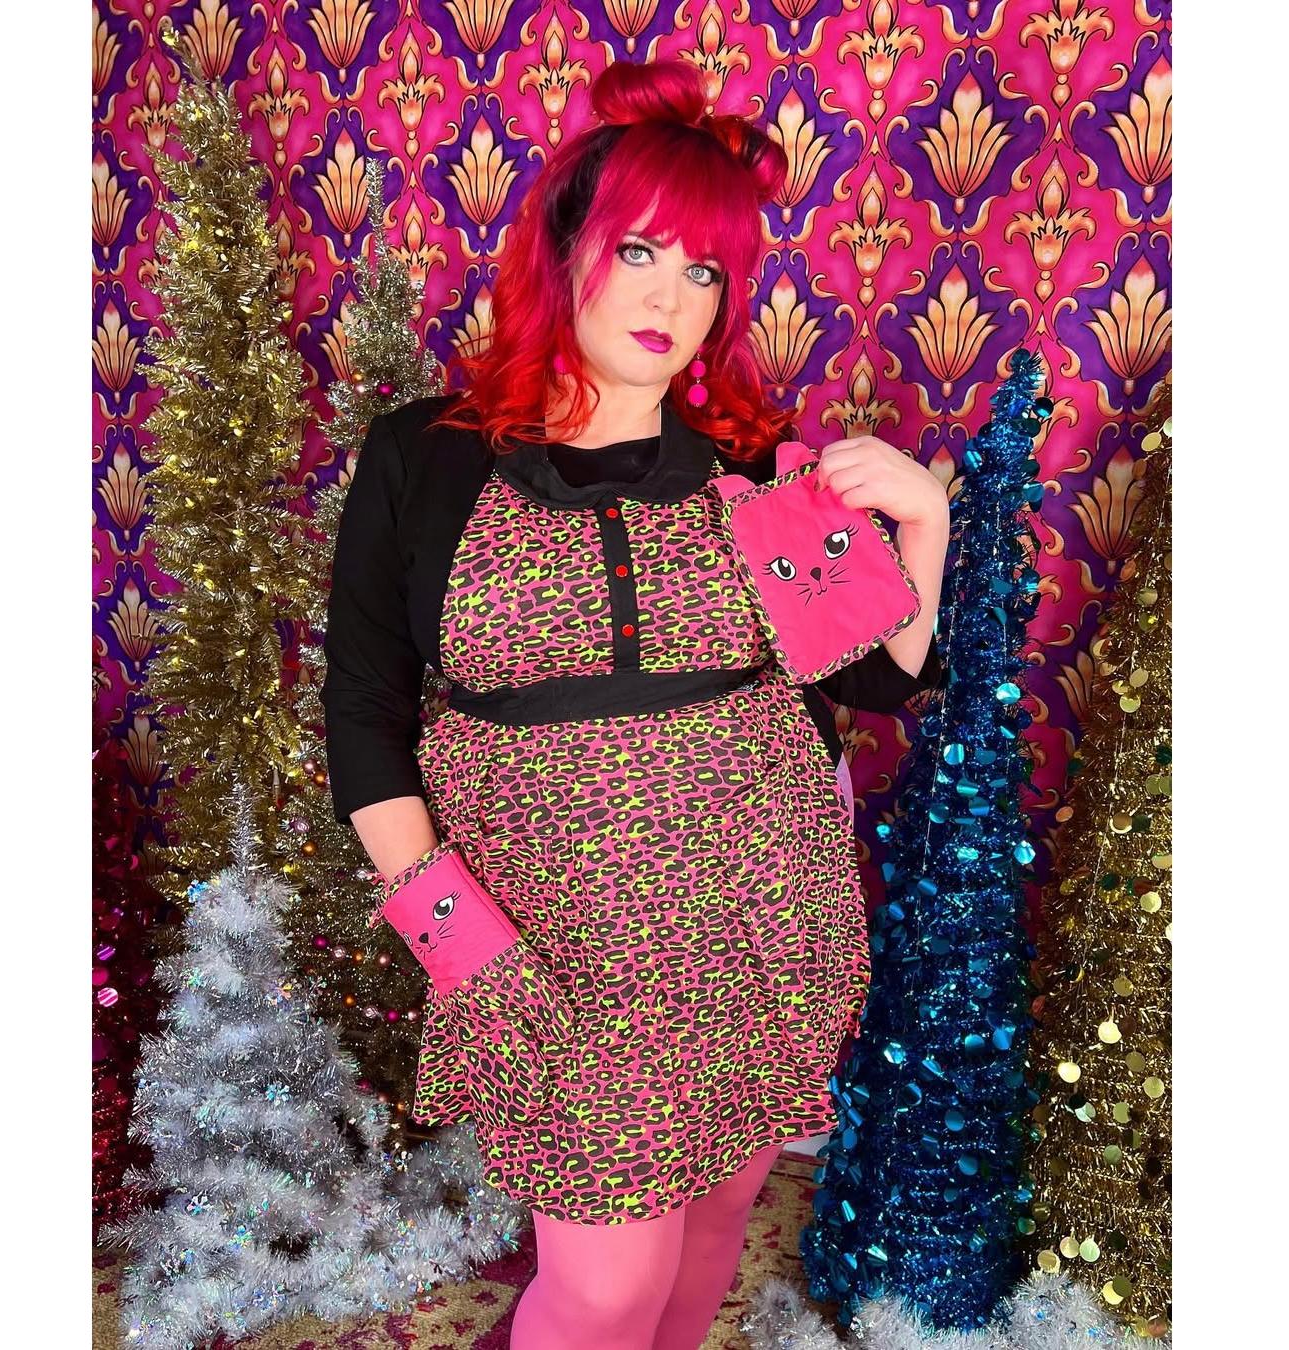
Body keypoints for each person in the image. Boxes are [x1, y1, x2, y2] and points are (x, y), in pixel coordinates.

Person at [320, 58, 950, 1350]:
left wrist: (926, 525)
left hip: (763, 918)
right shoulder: (424, 456)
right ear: (565, 250)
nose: (671, 297)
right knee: (604, 1286)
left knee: (711, 1231)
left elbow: (875, 679)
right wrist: (459, 941)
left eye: (705, 269)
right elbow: (364, 715)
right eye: (641, 251)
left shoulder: (751, 467)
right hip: (556, 950)